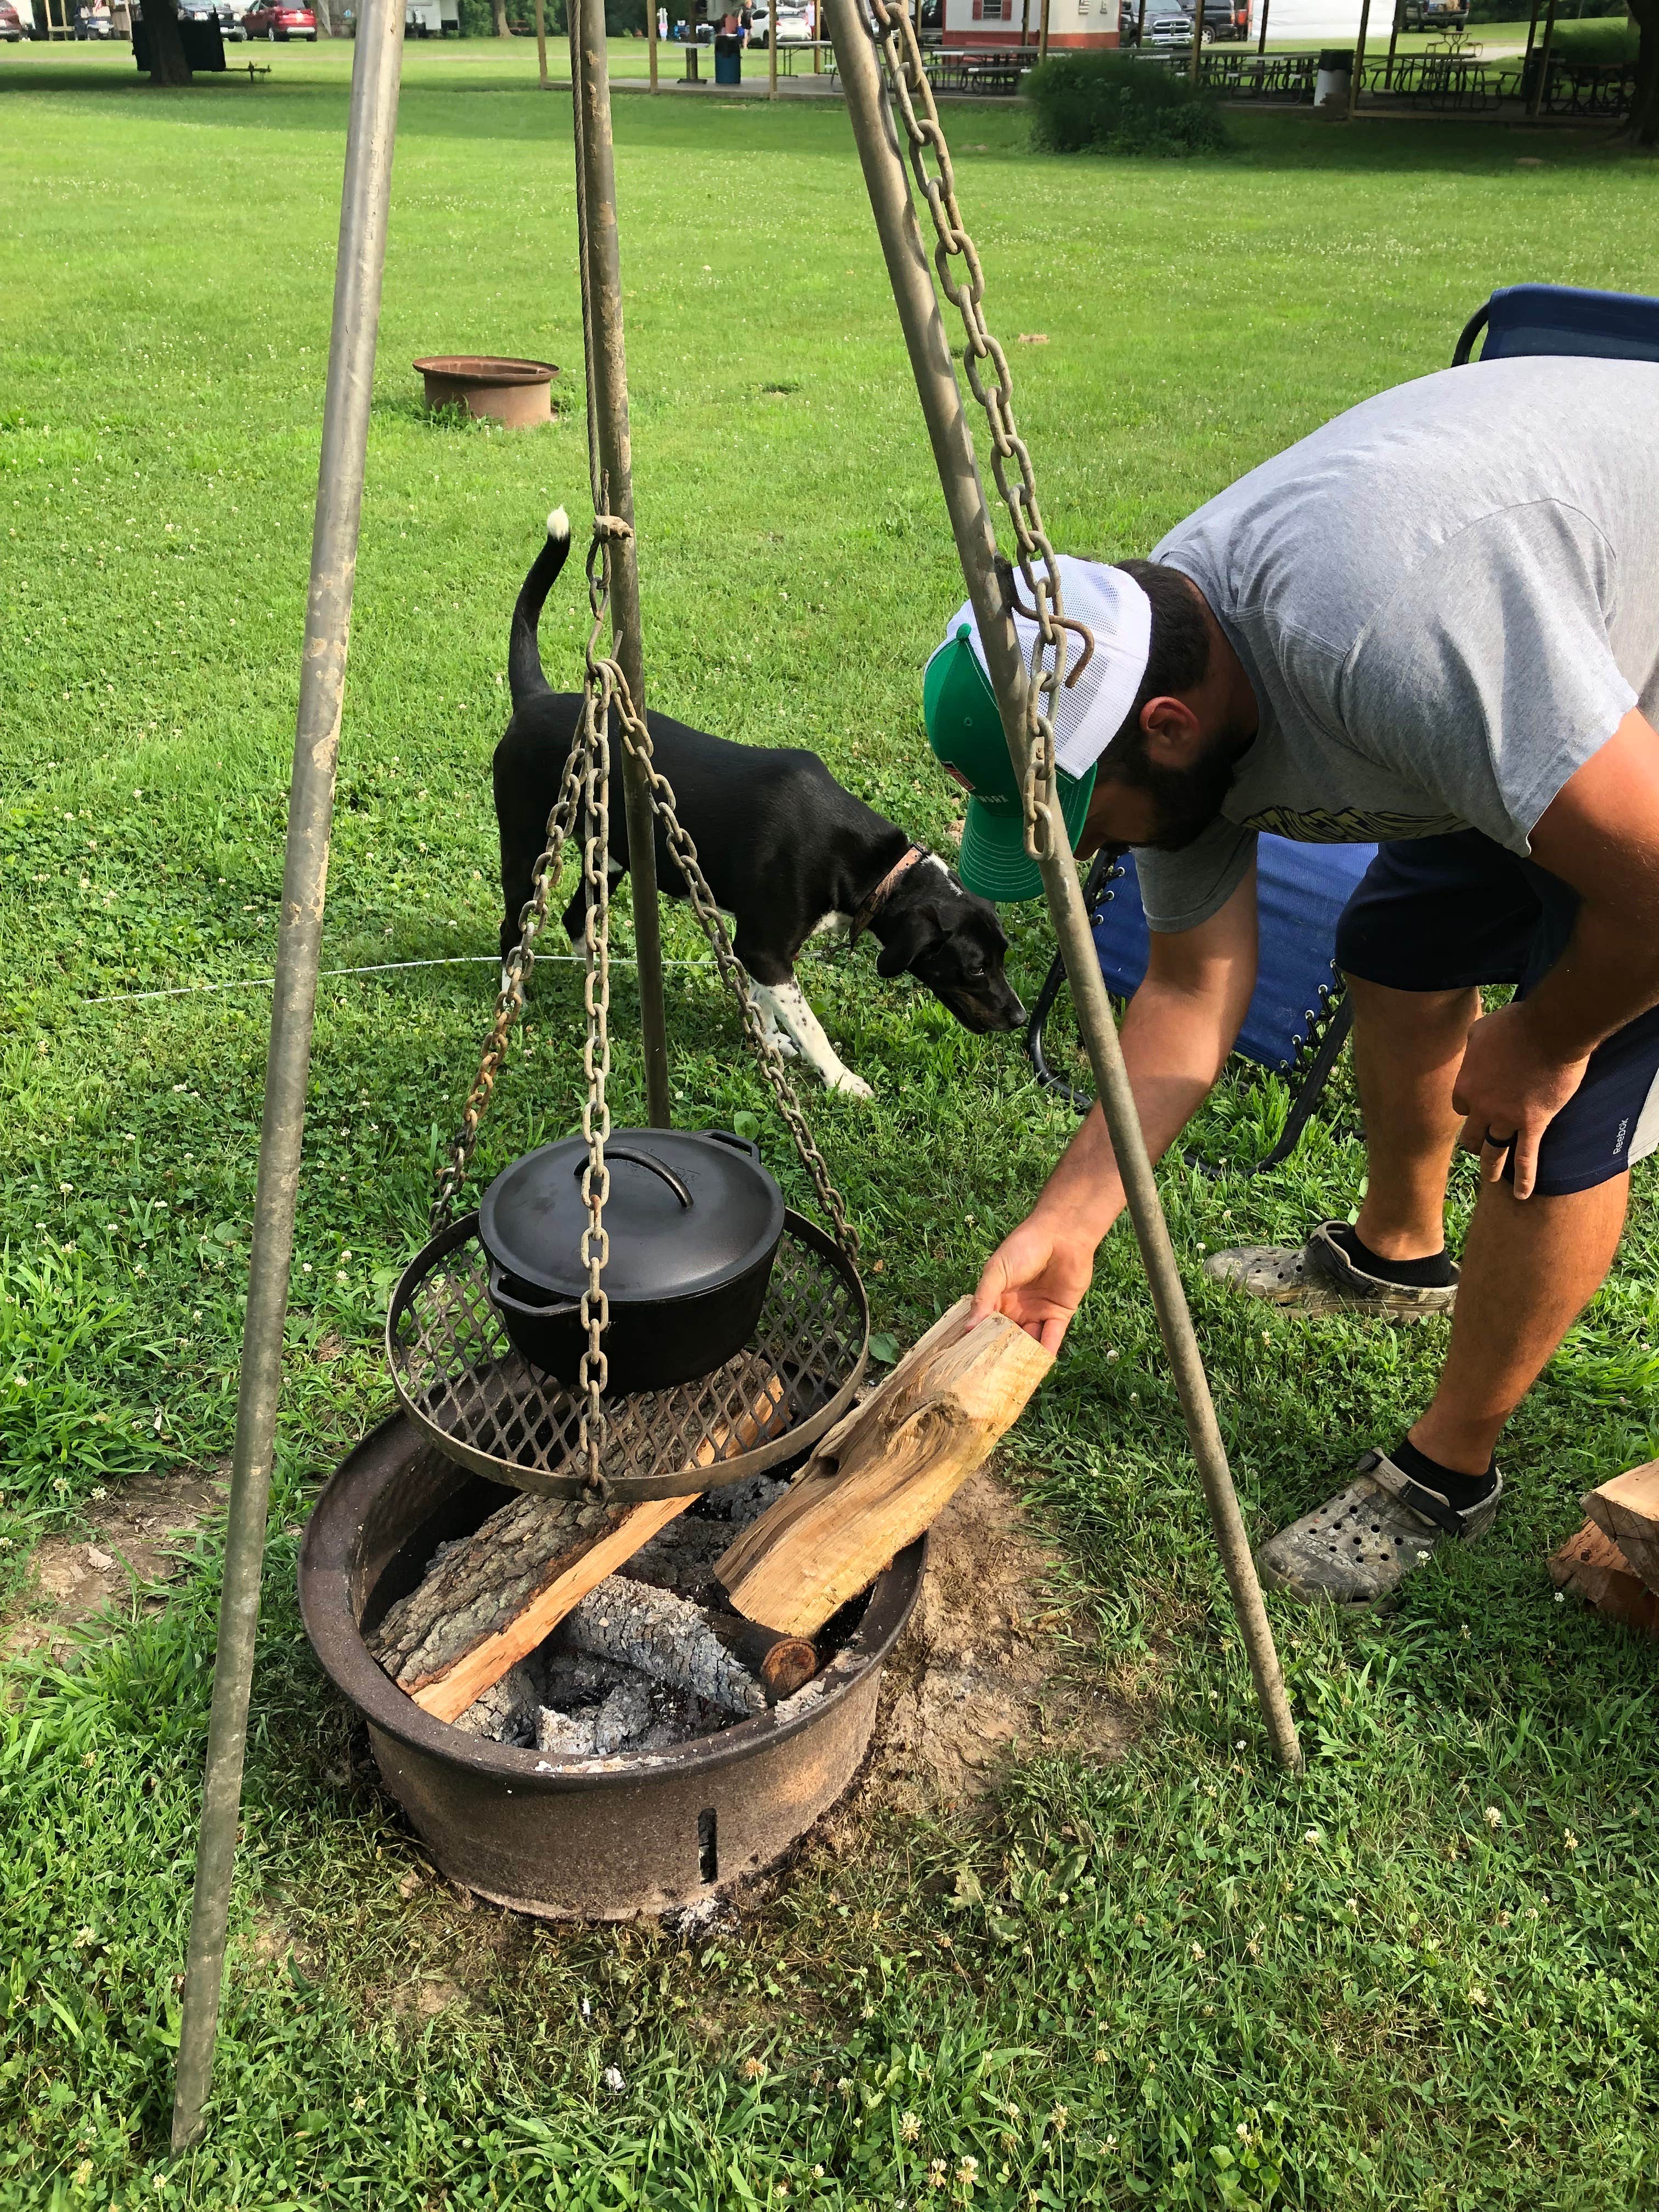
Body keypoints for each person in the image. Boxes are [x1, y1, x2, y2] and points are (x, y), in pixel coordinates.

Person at [924, 354, 1659, 1607]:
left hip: (1624, 666)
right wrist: (1070, 1219)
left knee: (1560, 1119)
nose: (1094, 852)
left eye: (1092, 823)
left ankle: (1448, 1469)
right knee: (1396, 952)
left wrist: (1550, 1032)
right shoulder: (1156, 649)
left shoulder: (1388, 637)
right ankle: (1398, 1255)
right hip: (1533, 653)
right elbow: (1192, 995)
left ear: (1166, 727)